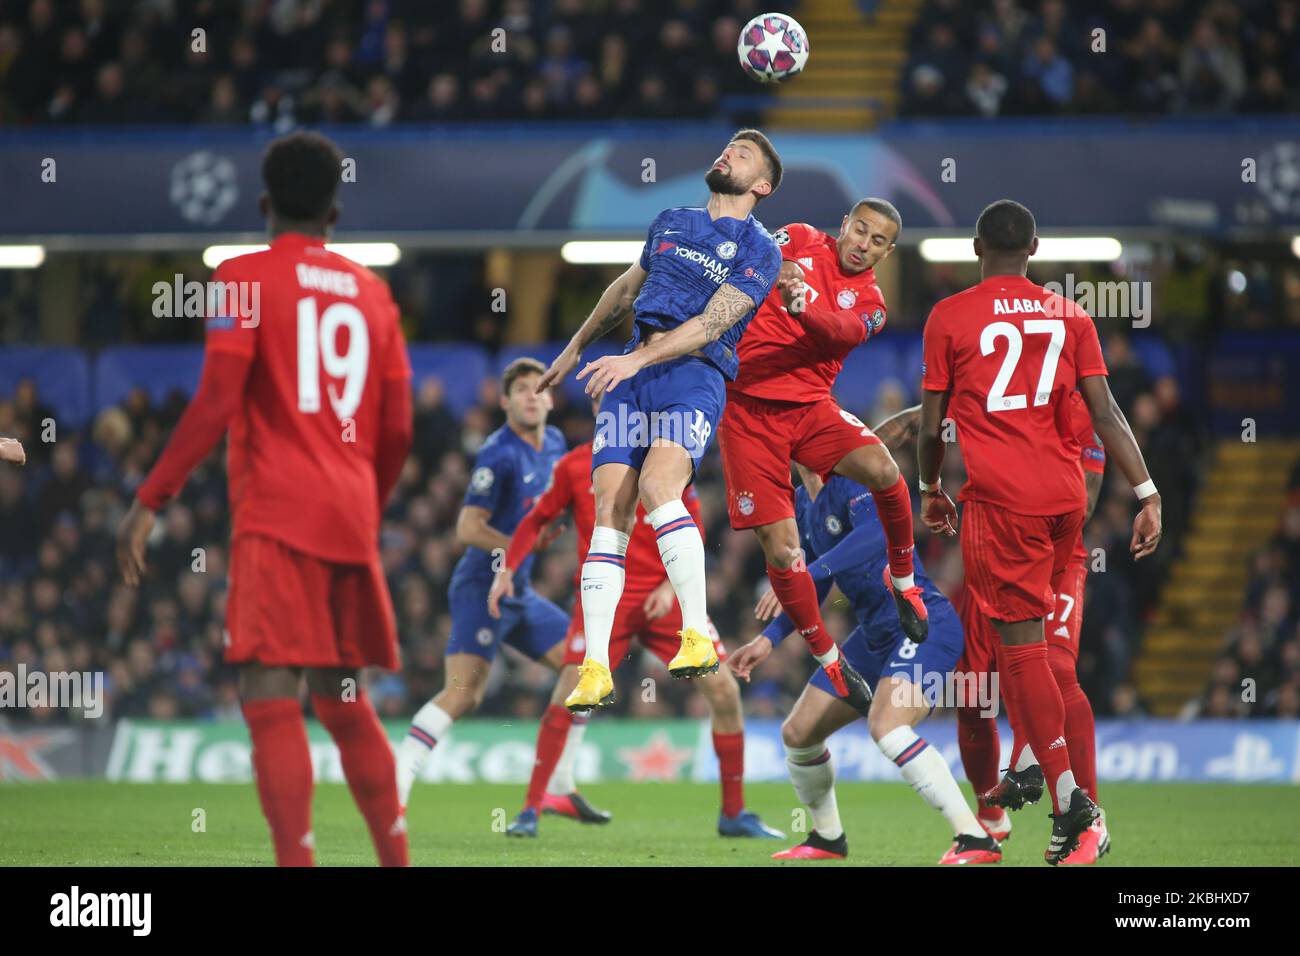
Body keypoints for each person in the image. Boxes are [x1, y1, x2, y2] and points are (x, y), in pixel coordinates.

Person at [117, 131, 413, 867]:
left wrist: (152, 497)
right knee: (345, 699)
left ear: (262, 204)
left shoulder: (242, 278)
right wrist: (363, 502)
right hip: (349, 517)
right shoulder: (374, 295)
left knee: (268, 690)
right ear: (334, 214)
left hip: (278, 514)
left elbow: (218, 398)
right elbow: (400, 427)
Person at [916, 198, 1161, 864]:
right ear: (1035, 248)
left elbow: (932, 420)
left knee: (1021, 656)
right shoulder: (1071, 315)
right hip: (1063, 508)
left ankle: (1073, 809)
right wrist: (1147, 491)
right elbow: (1105, 411)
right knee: (1045, 666)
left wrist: (930, 488)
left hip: (1002, 507)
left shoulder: (950, 317)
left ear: (974, 248)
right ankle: (1043, 788)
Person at [536, 130, 784, 712]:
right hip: (633, 375)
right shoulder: (671, 219)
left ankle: (695, 633)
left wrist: (637, 358)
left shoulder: (760, 249)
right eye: (727, 148)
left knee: (656, 486)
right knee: (610, 511)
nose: (727, 155)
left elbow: (714, 323)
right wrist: (576, 347)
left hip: (693, 375)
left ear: (762, 185)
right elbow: (628, 287)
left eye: (742, 155)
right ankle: (595, 667)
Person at [488, 401, 782, 840]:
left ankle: (734, 813)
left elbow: (694, 529)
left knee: (723, 691)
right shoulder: (576, 465)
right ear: (597, 410)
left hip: (665, 600)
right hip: (609, 601)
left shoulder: (667, 459)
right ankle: (531, 808)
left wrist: (668, 587)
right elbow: (537, 519)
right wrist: (507, 568)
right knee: (569, 692)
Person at [719, 200, 928, 714]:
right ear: (844, 225)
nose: (863, 244)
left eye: (877, 241)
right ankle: (829, 659)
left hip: (811, 408)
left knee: (884, 470)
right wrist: (774, 265)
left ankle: (903, 581)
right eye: (860, 230)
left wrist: (801, 306)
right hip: (747, 414)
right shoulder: (798, 236)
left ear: (888, 251)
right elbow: (750, 251)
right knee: (786, 554)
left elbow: (845, 332)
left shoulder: (872, 299)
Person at [395, 358, 570, 810]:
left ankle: (558, 786)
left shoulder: (554, 442)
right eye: (522, 389)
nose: (533, 395)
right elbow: (468, 528)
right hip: (482, 587)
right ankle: (397, 780)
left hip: (521, 591)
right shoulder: (498, 453)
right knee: (463, 694)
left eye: (540, 388)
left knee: (584, 668)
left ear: (552, 397)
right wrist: (520, 544)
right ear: (505, 400)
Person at [955, 389, 1109, 864]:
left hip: (1054, 553)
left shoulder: (1076, 399)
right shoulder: (996, 384)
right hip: (993, 549)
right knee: (970, 689)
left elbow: (1087, 488)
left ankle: (1091, 822)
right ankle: (989, 823)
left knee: (1056, 672)